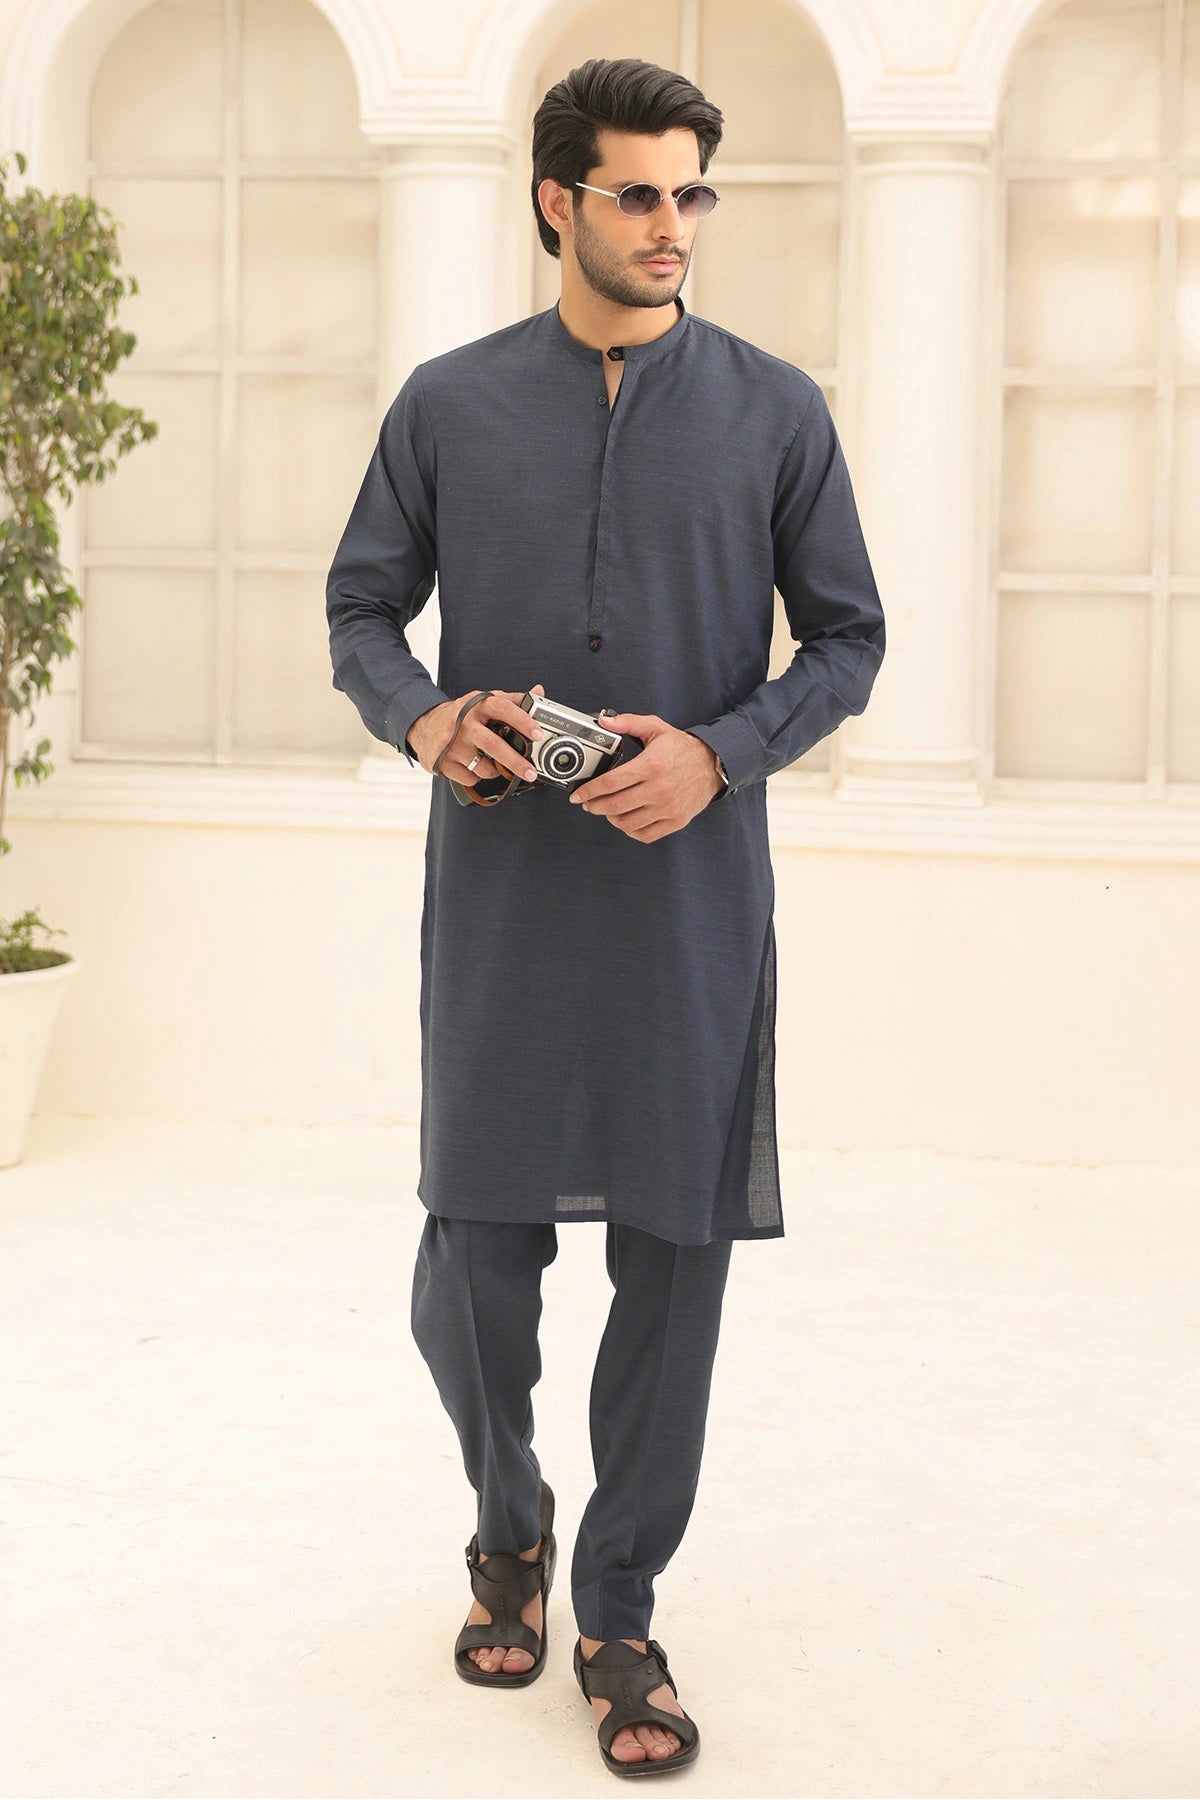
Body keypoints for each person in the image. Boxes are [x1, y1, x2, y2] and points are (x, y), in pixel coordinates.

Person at [325, 54, 885, 1777]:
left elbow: (848, 640)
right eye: (638, 192)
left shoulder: (777, 409)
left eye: (691, 191)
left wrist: (722, 754)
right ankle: (510, 1516)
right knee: (474, 1256)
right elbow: (361, 610)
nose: (672, 224)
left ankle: (619, 1605)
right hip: (504, 896)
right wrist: (427, 719)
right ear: (556, 201)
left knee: (675, 1252)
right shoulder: (449, 403)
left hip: (686, 901)